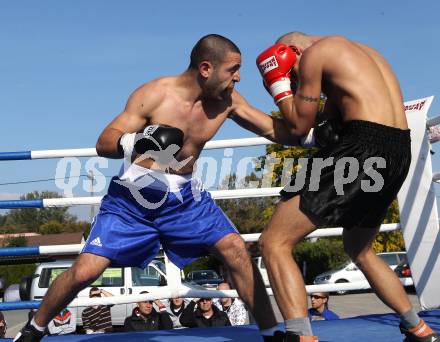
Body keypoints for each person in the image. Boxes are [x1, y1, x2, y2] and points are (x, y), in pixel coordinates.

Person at [15, 34, 300, 342]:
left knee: (235, 251)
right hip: (132, 201)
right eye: (233, 69)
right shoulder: (154, 95)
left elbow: (276, 130)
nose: (238, 77)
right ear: (206, 68)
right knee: (85, 271)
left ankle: (272, 334)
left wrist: (309, 128)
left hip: (185, 199)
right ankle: (34, 329)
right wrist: (137, 141)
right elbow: (104, 142)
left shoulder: (228, 101)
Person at [256, 32, 439, 341]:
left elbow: (299, 125)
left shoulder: (314, 55)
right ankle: (418, 328)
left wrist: (278, 84)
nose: (297, 78)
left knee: (274, 242)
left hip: (362, 148)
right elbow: (325, 125)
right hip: (397, 153)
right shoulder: (366, 52)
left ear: (292, 51)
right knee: (360, 249)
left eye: (293, 71)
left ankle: (300, 335)